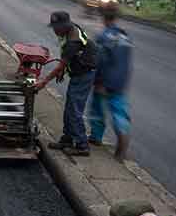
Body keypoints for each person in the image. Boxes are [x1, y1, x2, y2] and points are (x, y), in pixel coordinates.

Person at [35, 11, 97, 156]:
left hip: (84, 74)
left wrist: (43, 82)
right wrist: (64, 71)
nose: (55, 30)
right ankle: (67, 139)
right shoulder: (68, 32)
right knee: (69, 106)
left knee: (74, 109)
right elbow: (67, 61)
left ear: (65, 25)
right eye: (54, 27)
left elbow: (61, 64)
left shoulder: (72, 42)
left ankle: (82, 145)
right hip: (78, 71)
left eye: (57, 27)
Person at [88, 10, 133, 161]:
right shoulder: (125, 37)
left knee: (97, 109)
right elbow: (125, 63)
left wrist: (98, 81)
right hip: (120, 82)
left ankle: (96, 136)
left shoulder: (103, 37)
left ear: (104, 19)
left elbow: (99, 61)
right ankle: (122, 143)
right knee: (119, 113)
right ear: (116, 18)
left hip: (105, 80)